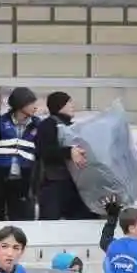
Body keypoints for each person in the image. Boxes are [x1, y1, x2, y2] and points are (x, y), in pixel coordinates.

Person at [32, 92, 98, 221]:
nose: (73, 106)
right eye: (69, 102)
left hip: (75, 184)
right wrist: (69, 152)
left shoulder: (72, 126)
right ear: (60, 105)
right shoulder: (48, 125)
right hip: (53, 184)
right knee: (50, 224)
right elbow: (44, 151)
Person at [0, 87, 41, 222]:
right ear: (20, 104)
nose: (34, 107)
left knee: (21, 216)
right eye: (31, 103)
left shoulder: (38, 125)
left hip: (24, 178)